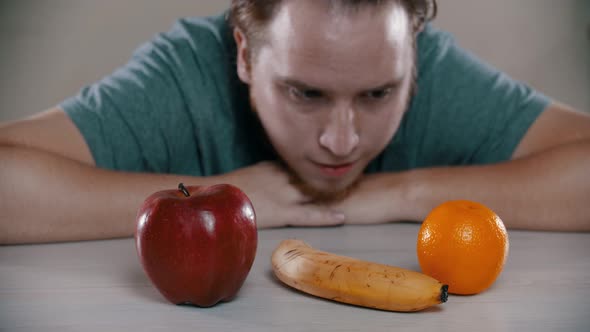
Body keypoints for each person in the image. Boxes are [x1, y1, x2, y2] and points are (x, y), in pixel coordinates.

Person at [1, 0, 589, 244]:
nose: (342, 141)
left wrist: (403, 193)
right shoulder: (185, 74)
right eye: (305, 93)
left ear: (412, 52)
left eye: (380, 93)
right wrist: (222, 200)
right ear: (244, 55)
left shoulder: (431, 68)